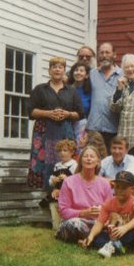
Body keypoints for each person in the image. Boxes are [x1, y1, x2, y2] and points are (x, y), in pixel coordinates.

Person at [26, 56, 83, 190]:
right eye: (54, 67)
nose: (57, 70)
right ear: (49, 70)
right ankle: (47, 194)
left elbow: (79, 113)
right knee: (46, 161)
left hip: (65, 130)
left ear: (64, 70)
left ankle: (67, 194)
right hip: (44, 131)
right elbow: (31, 111)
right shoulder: (40, 89)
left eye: (60, 67)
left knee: (65, 159)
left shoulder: (71, 91)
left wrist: (67, 114)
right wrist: (48, 114)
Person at [81, 171, 134, 258]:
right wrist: (91, 236)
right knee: (96, 236)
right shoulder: (108, 203)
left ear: (132, 189)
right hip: (113, 235)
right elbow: (100, 222)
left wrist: (125, 228)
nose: (120, 190)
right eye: (117, 187)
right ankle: (117, 248)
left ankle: (112, 246)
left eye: (124, 188)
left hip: (128, 234)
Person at [55, 146, 113, 243]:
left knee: (112, 226)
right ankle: (96, 239)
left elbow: (111, 209)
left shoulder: (104, 183)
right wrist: (85, 212)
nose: (89, 158)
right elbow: (64, 211)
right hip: (76, 222)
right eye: (86, 156)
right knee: (73, 225)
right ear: (80, 160)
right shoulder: (69, 182)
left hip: (98, 223)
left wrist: (106, 219)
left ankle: (91, 238)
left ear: (98, 161)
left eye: (92, 156)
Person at [87, 43, 122, 149]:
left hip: (114, 128)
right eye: (101, 52)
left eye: (107, 52)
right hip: (94, 127)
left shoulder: (123, 75)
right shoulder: (92, 74)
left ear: (114, 55)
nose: (104, 55)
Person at [41, 139, 78, 227]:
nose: (62, 153)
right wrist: (53, 180)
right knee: (46, 203)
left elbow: (77, 182)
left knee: (63, 208)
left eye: (65, 150)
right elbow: (51, 181)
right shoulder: (57, 165)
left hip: (70, 194)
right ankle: (55, 224)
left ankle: (64, 225)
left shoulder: (74, 165)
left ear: (72, 152)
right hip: (58, 192)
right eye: (60, 151)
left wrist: (67, 178)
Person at [67, 61, 92, 149]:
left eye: (81, 71)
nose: (78, 73)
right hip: (67, 123)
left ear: (86, 75)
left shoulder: (90, 91)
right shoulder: (66, 89)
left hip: (83, 125)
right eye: (76, 70)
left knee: (80, 149)